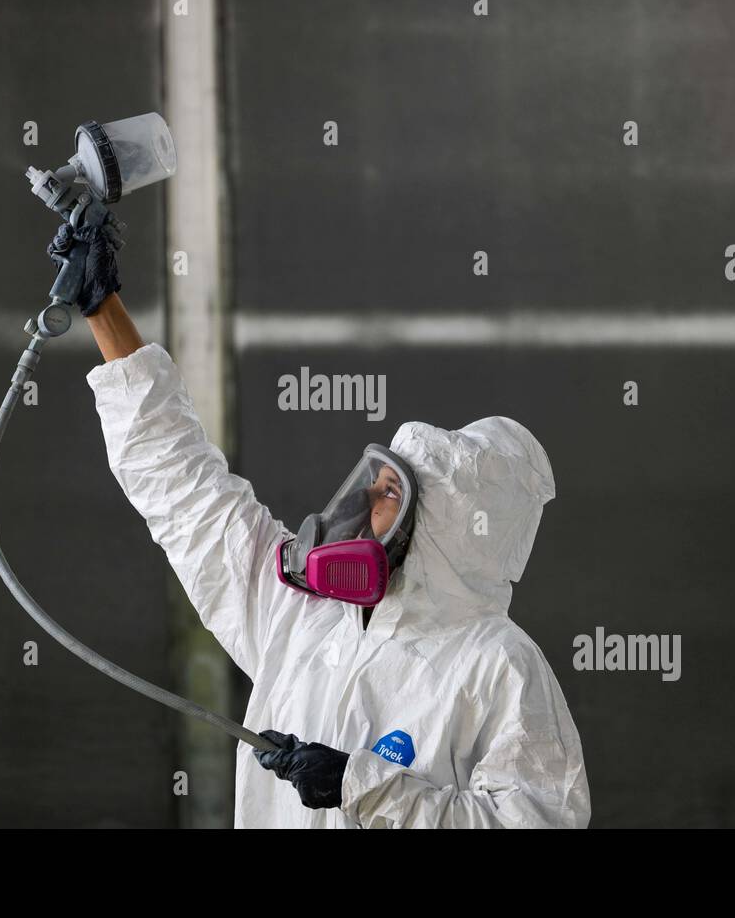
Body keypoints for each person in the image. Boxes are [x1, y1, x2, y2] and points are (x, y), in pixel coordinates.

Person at [56, 218, 591, 828]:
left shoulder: (497, 666)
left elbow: (538, 823)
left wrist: (362, 785)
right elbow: (186, 492)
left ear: (440, 529)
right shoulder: (306, 619)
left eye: (390, 491)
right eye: (375, 479)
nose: (366, 502)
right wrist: (102, 308)